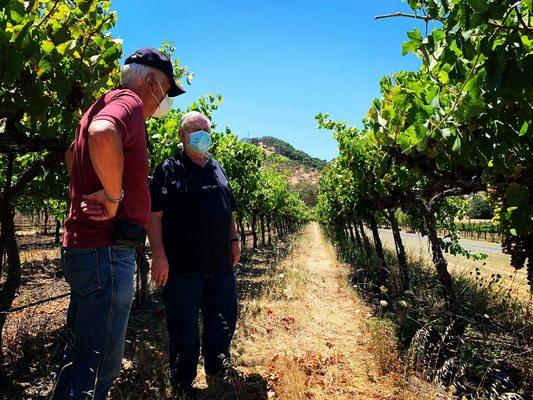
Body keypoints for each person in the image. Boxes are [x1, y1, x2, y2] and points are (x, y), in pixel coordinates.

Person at [53, 48, 185, 400]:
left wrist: (90, 186)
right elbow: (101, 133)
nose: (165, 102)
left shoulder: (102, 101)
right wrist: (112, 197)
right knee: (99, 369)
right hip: (106, 252)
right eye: (167, 91)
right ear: (151, 82)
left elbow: (71, 152)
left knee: (79, 355)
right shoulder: (129, 102)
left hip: (88, 249)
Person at [148, 111, 241, 397]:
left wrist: (234, 239)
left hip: (220, 265)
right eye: (195, 130)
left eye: (206, 129)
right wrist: (159, 255)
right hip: (183, 268)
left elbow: (228, 209)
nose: (203, 135)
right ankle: (183, 381)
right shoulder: (169, 169)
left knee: (223, 318)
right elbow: (154, 215)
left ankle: (217, 366)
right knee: (184, 328)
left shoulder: (217, 167)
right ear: (182, 135)